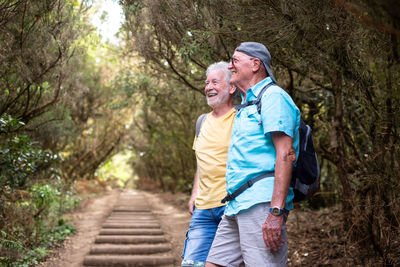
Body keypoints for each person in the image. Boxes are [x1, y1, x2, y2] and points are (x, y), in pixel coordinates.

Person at [205, 42, 300, 267]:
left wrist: (276, 212)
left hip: (260, 203)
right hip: (237, 205)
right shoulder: (248, 104)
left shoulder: (273, 97)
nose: (230, 66)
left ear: (255, 64)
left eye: (235, 61)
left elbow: (285, 154)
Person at [181, 61, 237, 267]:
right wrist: (194, 193)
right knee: (191, 264)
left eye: (215, 82)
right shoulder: (202, 121)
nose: (209, 87)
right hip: (203, 210)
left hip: (230, 207)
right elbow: (201, 163)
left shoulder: (241, 119)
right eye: (206, 83)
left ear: (232, 87)